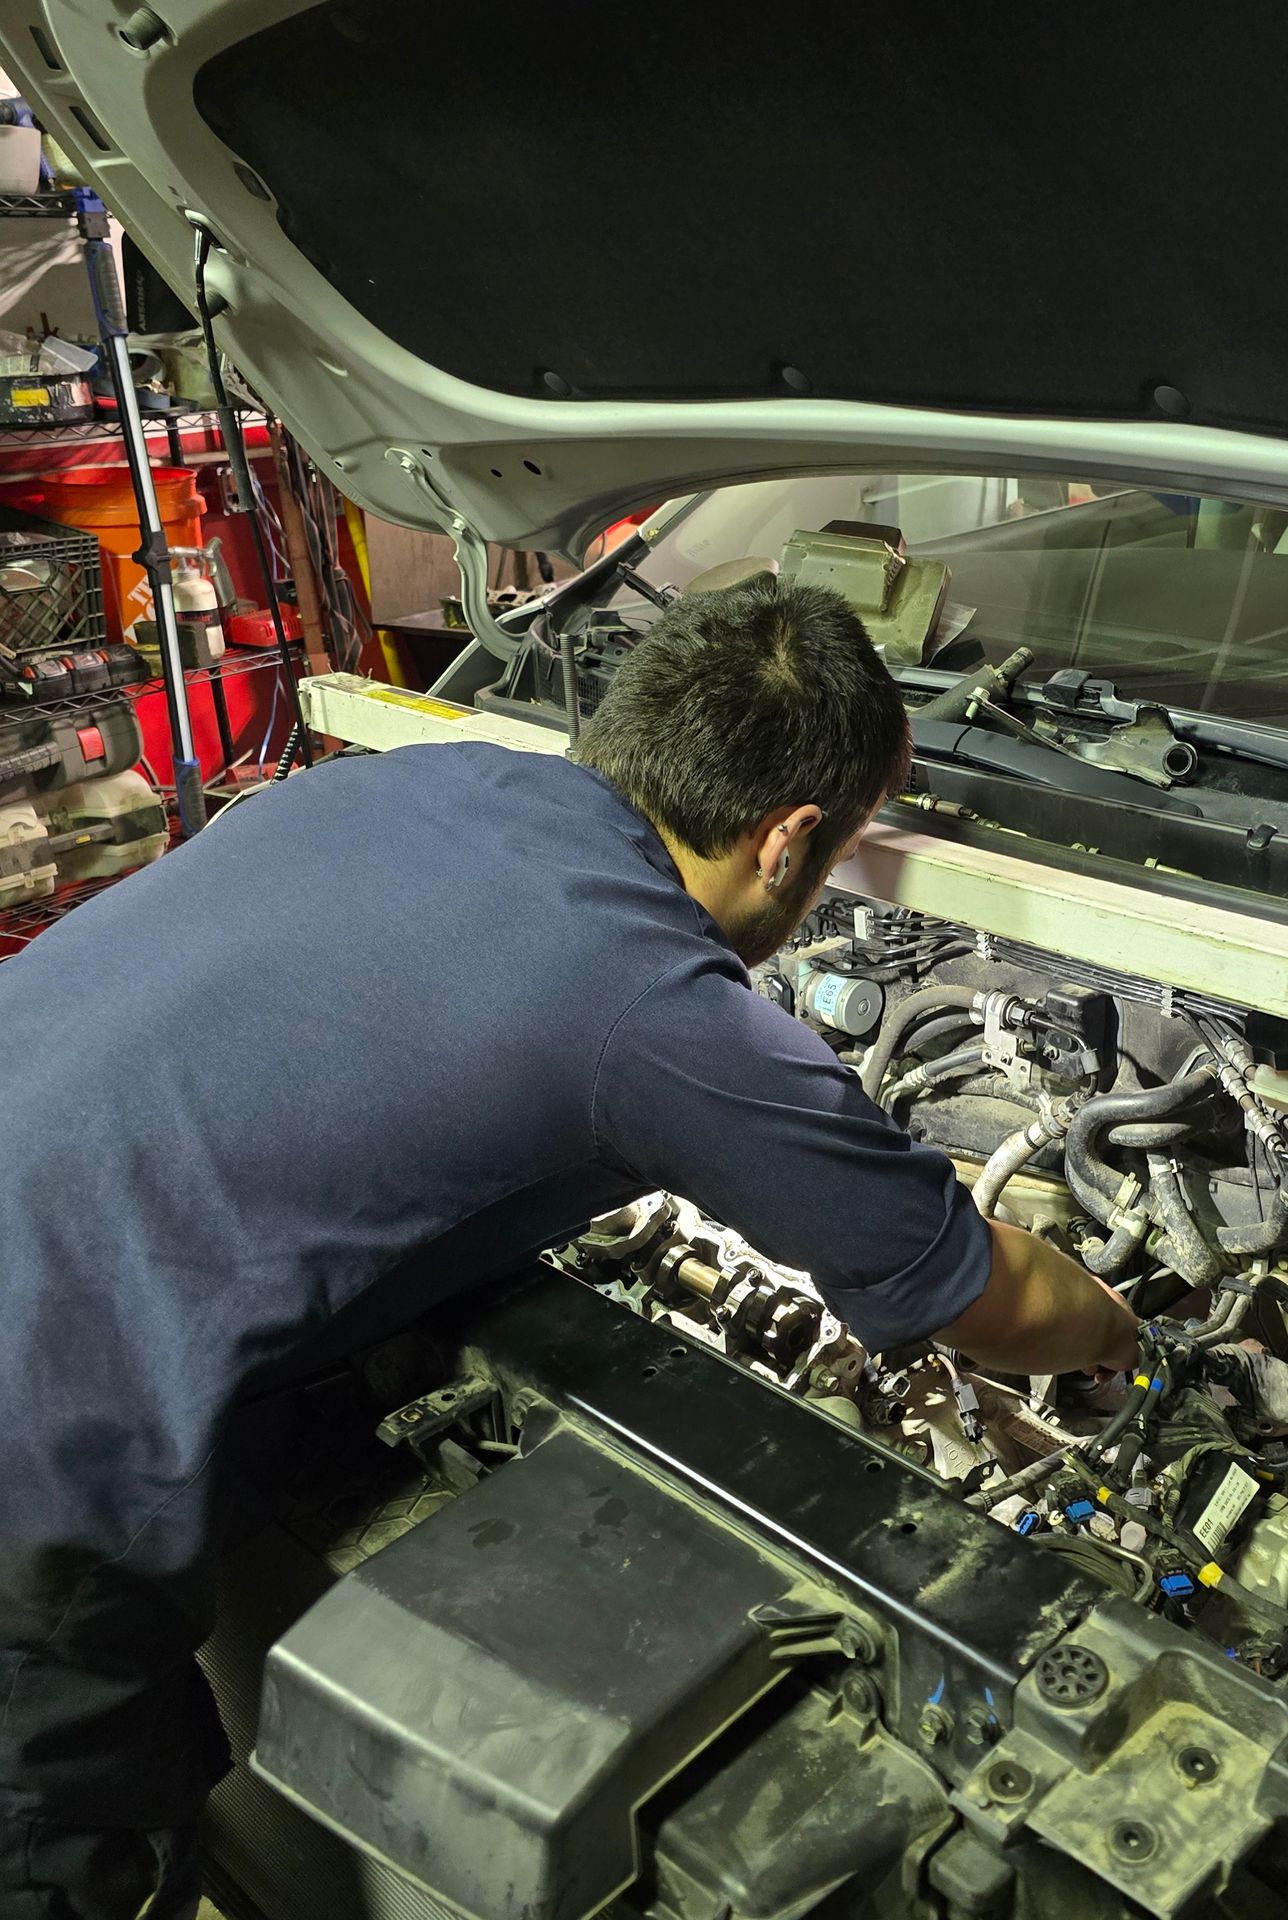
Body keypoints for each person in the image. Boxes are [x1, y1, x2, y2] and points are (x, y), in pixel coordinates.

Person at [0, 575, 1137, 1919]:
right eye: (839, 859)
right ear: (789, 843)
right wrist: (1137, 1342)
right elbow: (989, 1295)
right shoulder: (647, 1000)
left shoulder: (399, 779)